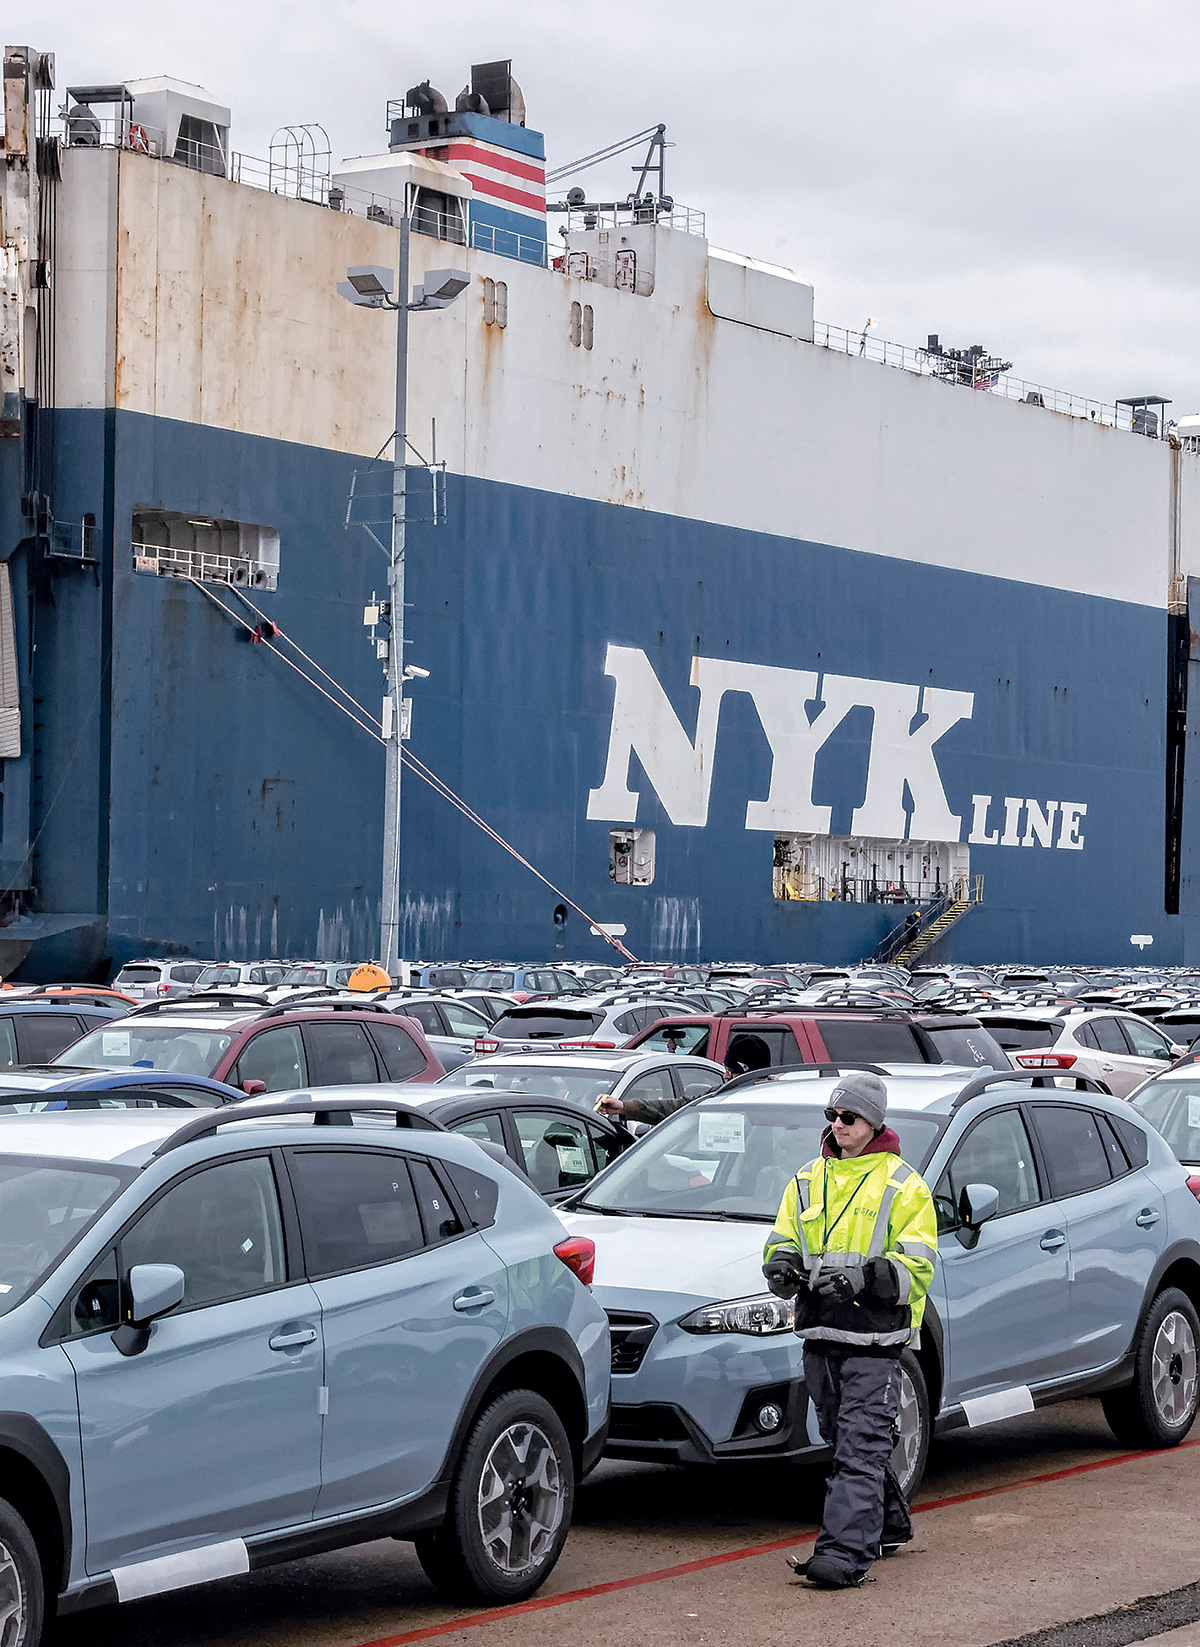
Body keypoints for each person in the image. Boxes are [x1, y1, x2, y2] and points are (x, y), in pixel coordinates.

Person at [762, 1072, 937, 1590]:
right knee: (846, 1440)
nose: (837, 1126)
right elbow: (782, 1236)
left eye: (849, 1118)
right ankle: (886, 1523)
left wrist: (868, 1277)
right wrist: (781, 1265)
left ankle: (843, 1556)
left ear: (874, 1123)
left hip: (876, 1340)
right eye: (833, 1117)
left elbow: (920, 1264)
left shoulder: (904, 1184)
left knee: (859, 1446)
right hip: (821, 1331)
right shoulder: (806, 1179)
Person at [595, 1032, 773, 1124]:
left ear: (750, 1073)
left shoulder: (779, 1105)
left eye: (731, 1071)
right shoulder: (718, 1097)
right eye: (725, 1069)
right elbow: (674, 1108)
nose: (725, 1076)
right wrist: (624, 1107)